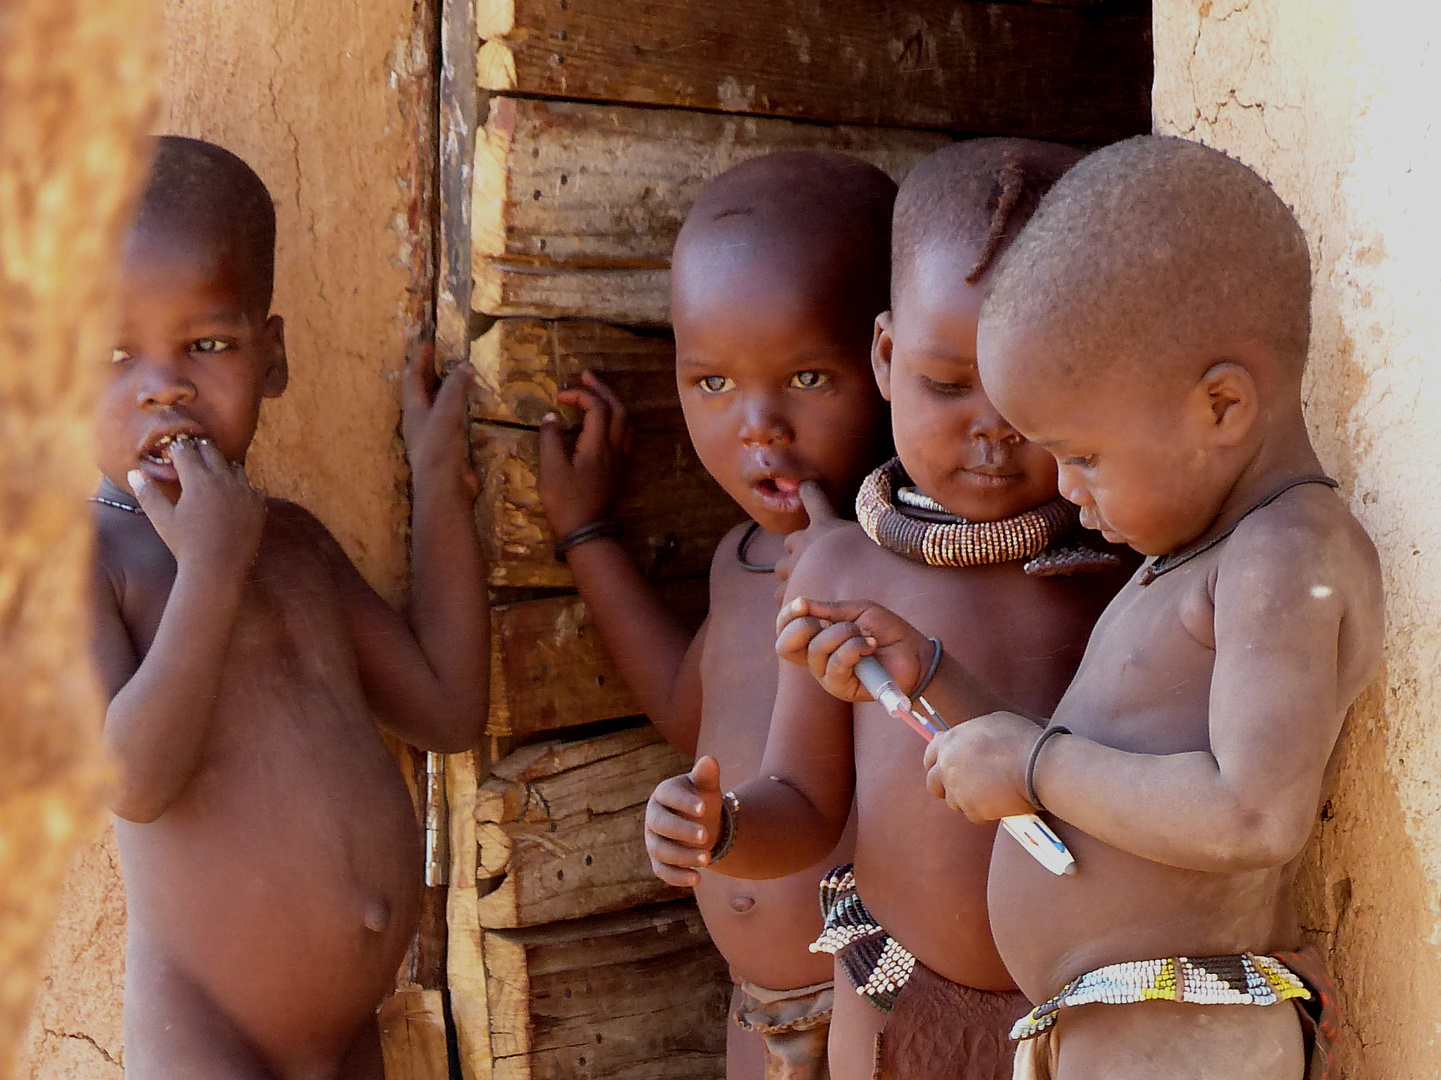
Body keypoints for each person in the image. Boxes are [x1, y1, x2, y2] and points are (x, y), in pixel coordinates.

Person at [780, 136, 1383, 1080]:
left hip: (1179, 1034)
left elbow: (1254, 815)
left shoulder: (1282, 554)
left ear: (1220, 407)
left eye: (1084, 456)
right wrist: (936, 682)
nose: (1063, 486)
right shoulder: (1191, 558)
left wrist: (1033, 761)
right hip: (1114, 1029)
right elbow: (1092, 778)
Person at [642, 140, 1135, 1080]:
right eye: (948, 386)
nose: (988, 430)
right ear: (884, 353)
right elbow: (804, 800)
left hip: (1078, 1009)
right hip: (891, 996)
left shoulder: (1119, 566)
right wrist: (725, 830)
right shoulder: (838, 566)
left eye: (1030, 394)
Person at [90, 136, 488, 1080]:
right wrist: (211, 571)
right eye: (110, 351)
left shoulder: (297, 544)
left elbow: (446, 708)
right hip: (206, 1036)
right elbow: (130, 781)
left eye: (209, 344)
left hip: (348, 1037)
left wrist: (438, 489)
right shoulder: (86, 562)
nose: (165, 385)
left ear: (270, 358)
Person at [538, 151, 896, 1080]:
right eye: (712, 384)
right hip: (757, 999)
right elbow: (682, 704)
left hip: (884, 988)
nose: (758, 426)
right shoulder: (738, 560)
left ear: (890, 362)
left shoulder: (908, 557)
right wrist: (588, 537)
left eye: (808, 380)